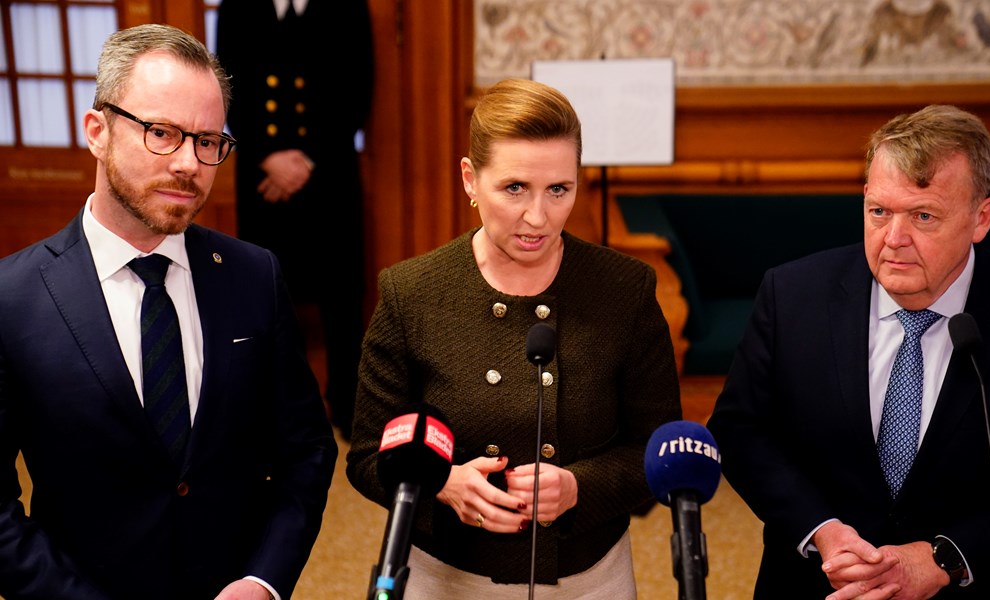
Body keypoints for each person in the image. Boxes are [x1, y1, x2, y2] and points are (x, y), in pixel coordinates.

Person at [0, 24, 337, 600]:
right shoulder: (13, 297)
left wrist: (263, 580)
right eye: (161, 132)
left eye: (207, 140)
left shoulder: (254, 276)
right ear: (97, 132)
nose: (189, 163)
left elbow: (306, 449)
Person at [707, 104, 990, 599]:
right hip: (817, 585)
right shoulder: (792, 295)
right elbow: (740, 430)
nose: (893, 240)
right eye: (879, 211)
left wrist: (947, 556)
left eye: (923, 216)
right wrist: (822, 531)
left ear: (981, 218)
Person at [345, 78, 682, 598]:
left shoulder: (625, 290)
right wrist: (442, 484)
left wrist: (578, 488)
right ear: (469, 180)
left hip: (591, 578)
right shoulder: (411, 293)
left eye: (558, 190)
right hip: (446, 577)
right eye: (514, 188)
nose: (537, 218)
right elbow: (367, 454)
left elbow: (659, 450)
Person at [215, 0, 374, 439]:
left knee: (341, 295)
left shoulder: (349, 7)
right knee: (268, 292)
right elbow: (224, 86)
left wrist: (305, 159)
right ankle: (285, 411)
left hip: (330, 171)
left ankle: (347, 404)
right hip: (263, 175)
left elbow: (359, 89)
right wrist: (268, 157)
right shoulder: (237, 6)